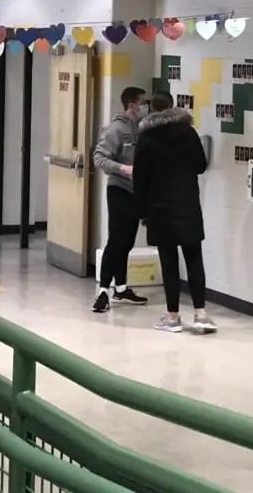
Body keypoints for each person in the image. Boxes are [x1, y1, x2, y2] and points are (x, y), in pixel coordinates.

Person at [133, 92, 216, 334]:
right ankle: (200, 314)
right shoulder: (188, 133)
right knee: (194, 259)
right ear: (173, 106)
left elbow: (140, 178)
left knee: (169, 264)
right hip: (187, 205)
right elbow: (200, 166)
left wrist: (141, 212)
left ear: (152, 109)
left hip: (159, 209)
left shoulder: (147, 138)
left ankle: (172, 318)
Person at [91, 86, 149, 313]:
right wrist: (123, 169)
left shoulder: (140, 129)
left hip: (135, 192)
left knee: (127, 242)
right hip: (119, 190)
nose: (145, 107)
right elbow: (99, 157)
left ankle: (121, 287)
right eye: (142, 102)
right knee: (116, 241)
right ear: (132, 105)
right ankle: (103, 291)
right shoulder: (115, 129)